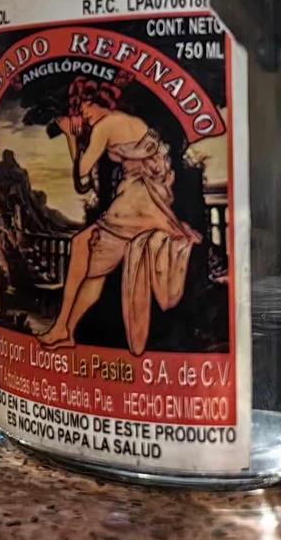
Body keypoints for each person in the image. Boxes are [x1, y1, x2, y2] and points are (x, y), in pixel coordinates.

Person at [37, 76, 202, 356]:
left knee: (86, 255)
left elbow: (81, 171)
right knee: (85, 254)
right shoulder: (123, 123)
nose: (83, 116)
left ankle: (63, 328)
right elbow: (83, 185)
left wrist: (71, 138)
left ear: (96, 101)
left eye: (84, 108)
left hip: (136, 204)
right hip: (140, 201)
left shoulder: (107, 124)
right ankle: (64, 328)